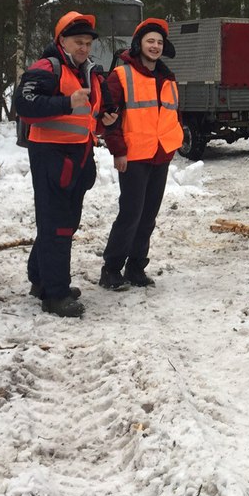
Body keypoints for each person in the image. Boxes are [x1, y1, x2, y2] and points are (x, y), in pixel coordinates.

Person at [15, 11, 117, 318]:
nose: (84, 48)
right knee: (57, 225)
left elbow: (91, 114)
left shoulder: (88, 71)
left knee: (66, 223)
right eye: (78, 42)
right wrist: (65, 102)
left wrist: (105, 119)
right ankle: (55, 295)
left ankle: (40, 278)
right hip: (50, 155)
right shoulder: (47, 68)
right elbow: (24, 105)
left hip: (79, 155)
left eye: (88, 43)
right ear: (62, 41)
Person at [98, 18, 184, 291]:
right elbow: (109, 120)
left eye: (159, 42)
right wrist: (118, 151)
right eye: (150, 41)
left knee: (148, 216)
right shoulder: (121, 75)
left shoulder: (168, 78)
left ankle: (136, 267)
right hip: (133, 156)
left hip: (160, 155)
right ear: (139, 44)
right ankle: (111, 269)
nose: (155, 46)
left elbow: (173, 115)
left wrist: (173, 142)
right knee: (131, 214)